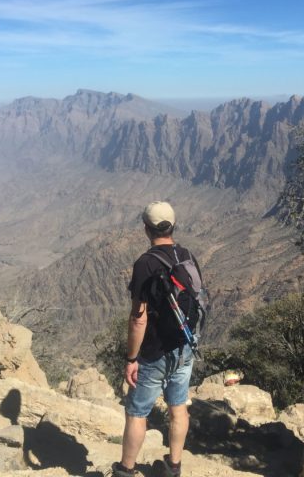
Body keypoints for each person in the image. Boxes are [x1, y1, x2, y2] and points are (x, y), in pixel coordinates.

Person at [109, 202, 202, 477]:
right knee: (178, 407)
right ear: (173, 226)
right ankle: (174, 468)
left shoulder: (146, 263)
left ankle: (125, 471)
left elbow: (139, 318)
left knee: (137, 412)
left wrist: (131, 359)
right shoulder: (187, 255)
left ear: (146, 228)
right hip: (186, 344)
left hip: (154, 351)